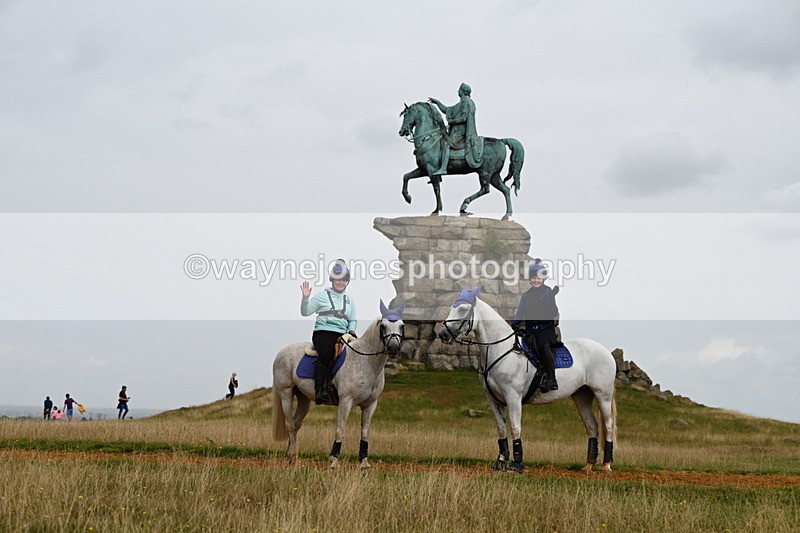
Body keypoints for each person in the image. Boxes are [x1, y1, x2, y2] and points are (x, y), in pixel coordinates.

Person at [300, 259, 358, 405]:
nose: (341, 282)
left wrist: (352, 331)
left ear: (347, 282)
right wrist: (306, 297)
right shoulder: (322, 296)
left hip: (343, 334)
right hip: (324, 332)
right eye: (338, 279)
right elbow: (305, 312)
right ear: (332, 280)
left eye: (344, 280)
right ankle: (319, 390)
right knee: (325, 353)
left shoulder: (350, 300)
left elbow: (353, 319)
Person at [512, 260, 561, 393]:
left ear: (543, 279)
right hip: (530, 330)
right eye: (534, 278)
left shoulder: (547, 292)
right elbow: (520, 311)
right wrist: (515, 324)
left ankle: (551, 379)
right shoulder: (526, 295)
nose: (536, 281)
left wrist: (550, 298)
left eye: (539, 278)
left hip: (545, 330)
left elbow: (553, 312)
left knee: (543, 347)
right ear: (530, 279)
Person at [428, 82, 484, 169]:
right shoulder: (461, 103)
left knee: (445, 144)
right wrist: (437, 102)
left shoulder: (467, 102)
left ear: (463, 92)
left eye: (459, 89)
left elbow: (464, 118)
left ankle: (443, 168)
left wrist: (452, 121)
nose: (458, 91)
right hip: (456, 131)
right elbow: (446, 110)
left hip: (461, 132)